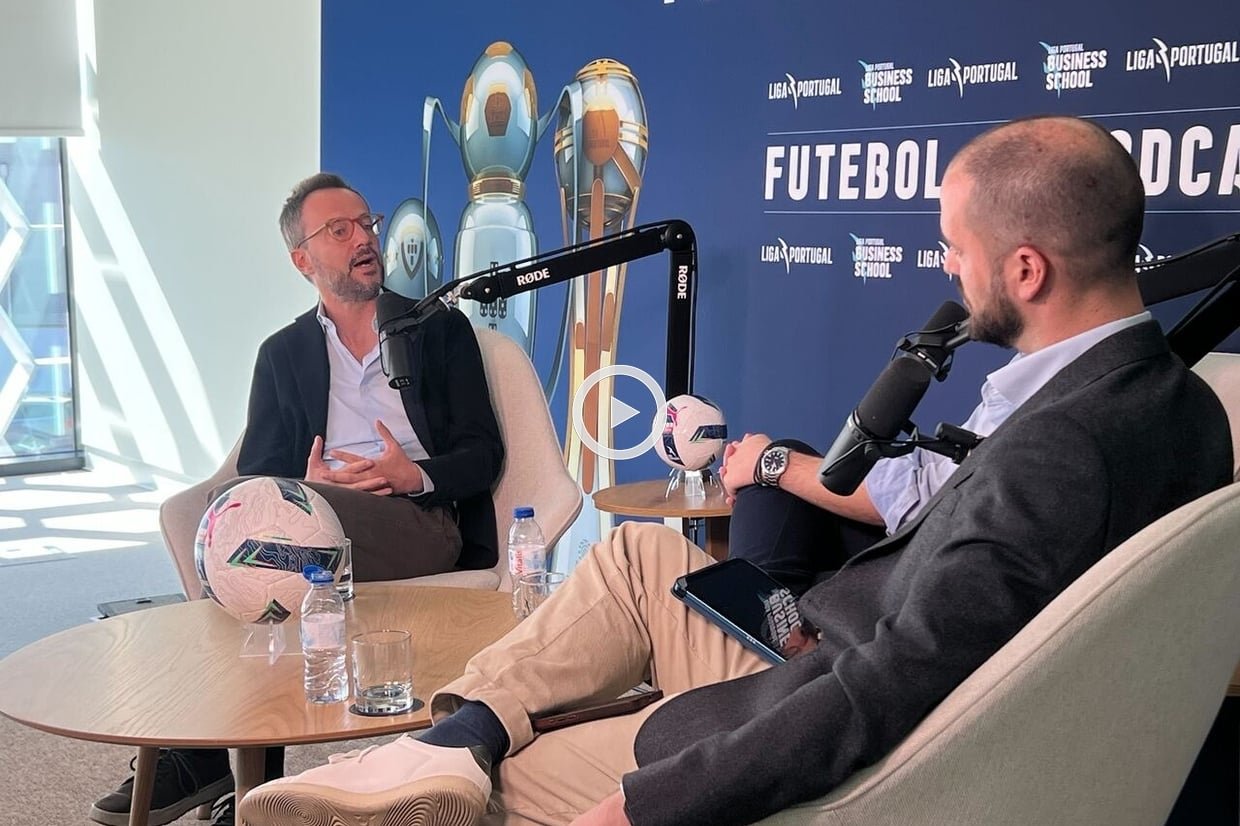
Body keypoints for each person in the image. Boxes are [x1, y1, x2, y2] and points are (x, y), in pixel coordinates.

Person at [238, 116, 1232, 826]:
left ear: (1026, 270)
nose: (947, 272)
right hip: (819, 639)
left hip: (822, 695)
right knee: (636, 556)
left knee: (520, 777)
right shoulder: (1177, 405)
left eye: (953, 249)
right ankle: (454, 735)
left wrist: (648, 803)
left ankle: (458, 760)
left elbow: (893, 685)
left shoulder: (1062, 451)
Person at [89, 173, 504, 826]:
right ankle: (242, 777)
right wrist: (309, 491)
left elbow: (484, 453)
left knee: (263, 542)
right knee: (239, 523)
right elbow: (256, 477)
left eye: (365, 224)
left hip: (420, 523)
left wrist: (412, 476)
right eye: (339, 230)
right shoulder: (282, 354)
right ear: (302, 260)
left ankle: (211, 761)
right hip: (315, 529)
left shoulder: (436, 329)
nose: (363, 238)